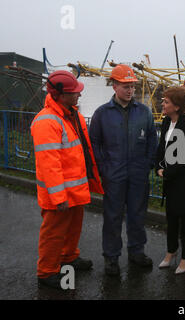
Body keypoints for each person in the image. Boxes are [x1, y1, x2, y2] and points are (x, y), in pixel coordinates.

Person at [31, 70, 104, 289]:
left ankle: (69, 257)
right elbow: (49, 165)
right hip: (60, 192)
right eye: (75, 93)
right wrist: (58, 197)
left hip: (75, 189)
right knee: (53, 233)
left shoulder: (72, 114)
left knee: (73, 228)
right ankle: (47, 271)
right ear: (60, 95)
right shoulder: (47, 122)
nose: (79, 95)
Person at [89, 64, 157, 276]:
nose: (130, 90)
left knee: (137, 215)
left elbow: (152, 142)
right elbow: (95, 144)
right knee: (112, 217)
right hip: (114, 175)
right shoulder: (102, 114)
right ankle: (111, 257)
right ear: (115, 86)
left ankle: (136, 251)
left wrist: (147, 165)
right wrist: (104, 168)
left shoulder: (144, 112)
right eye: (125, 86)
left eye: (132, 86)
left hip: (138, 174)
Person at [155, 86, 185, 274]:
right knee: (171, 219)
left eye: (166, 101)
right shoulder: (167, 122)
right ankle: (171, 252)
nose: (162, 104)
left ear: (177, 106)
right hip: (172, 181)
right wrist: (158, 165)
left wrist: (166, 173)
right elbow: (161, 147)